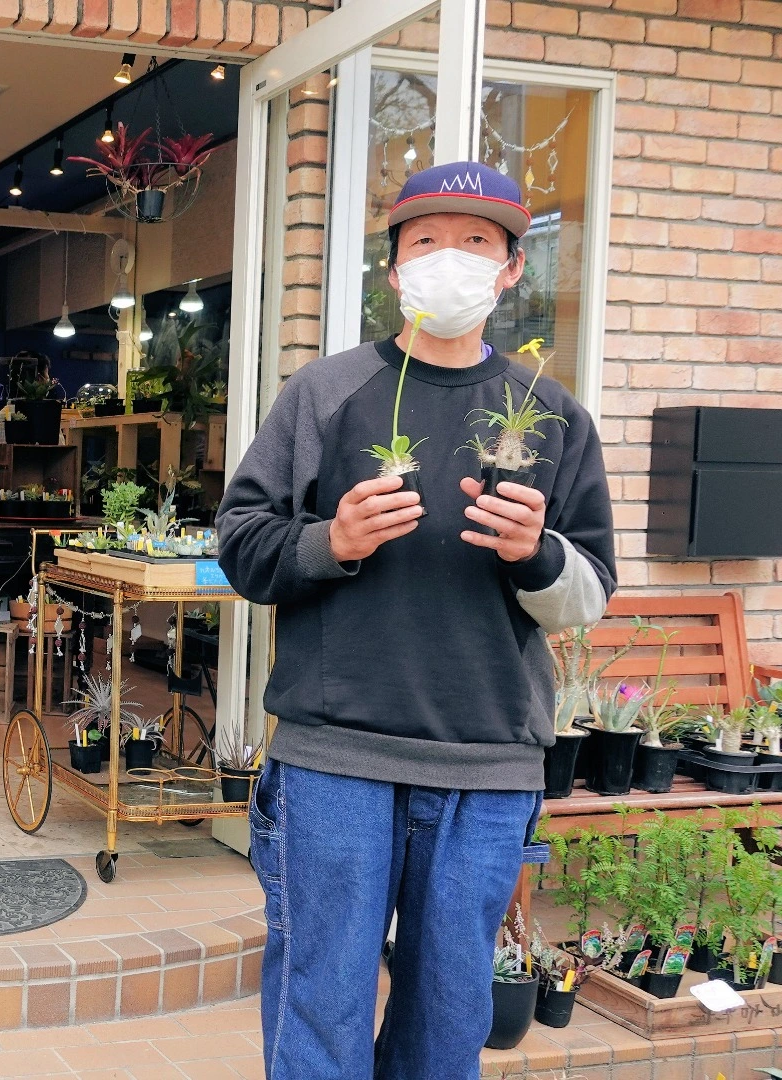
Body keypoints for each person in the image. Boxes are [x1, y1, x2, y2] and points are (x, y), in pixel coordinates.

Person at [215, 162, 616, 1080]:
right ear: (393, 269)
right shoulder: (325, 394)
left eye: (477, 242)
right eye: (426, 241)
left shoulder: (552, 417)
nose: (450, 261)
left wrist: (538, 556)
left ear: (512, 268)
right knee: (321, 1008)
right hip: (335, 758)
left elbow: (590, 590)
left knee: (448, 1022)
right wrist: (332, 540)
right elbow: (241, 544)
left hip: (485, 761)